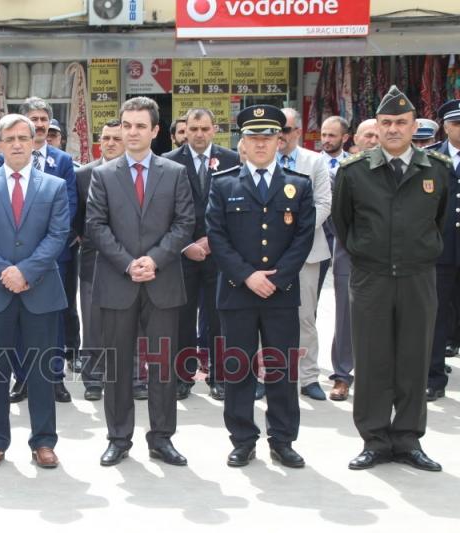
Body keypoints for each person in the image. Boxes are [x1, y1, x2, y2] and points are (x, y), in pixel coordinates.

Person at [332, 85, 452, 472]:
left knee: (414, 359)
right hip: (372, 278)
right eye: (387, 123)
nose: (394, 129)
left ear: (414, 125)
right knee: (372, 360)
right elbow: (343, 223)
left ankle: (408, 439)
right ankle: (375, 439)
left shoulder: (436, 169)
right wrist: (368, 253)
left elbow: (440, 221)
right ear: (377, 128)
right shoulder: (354, 172)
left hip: (418, 277)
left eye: (401, 122)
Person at [87, 96, 195, 467]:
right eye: (126, 125)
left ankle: (162, 438)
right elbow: (95, 225)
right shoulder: (102, 175)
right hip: (118, 282)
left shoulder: (175, 172)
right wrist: (128, 263)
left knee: (162, 365)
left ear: (154, 130)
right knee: (117, 365)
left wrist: (155, 259)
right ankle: (118, 438)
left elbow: (185, 223)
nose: (132, 132)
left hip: (162, 282)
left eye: (139, 126)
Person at [207, 104, 315, 469]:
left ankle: (283, 440)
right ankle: (242, 438)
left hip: (281, 293)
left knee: (282, 369)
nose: (260, 144)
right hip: (238, 291)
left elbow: (303, 238)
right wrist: (247, 275)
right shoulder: (224, 184)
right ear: (242, 142)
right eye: (253, 137)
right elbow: (217, 237)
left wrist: (278, 277)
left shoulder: (298, 185)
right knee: (238, 369)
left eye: (268, 136)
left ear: (279, 140)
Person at [0, 113, 69, 470]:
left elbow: (58, 235)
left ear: (35, 140)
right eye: (10, 138)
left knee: (42, 371)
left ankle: (43, 441)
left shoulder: (53, 186)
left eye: (25, 137)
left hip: (40, 291)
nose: (18, 144)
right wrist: (4, 272)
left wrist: (26, 272)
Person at [3, 97, 77, 404]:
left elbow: (69, 206)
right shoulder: (4, 160)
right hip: (15, 260)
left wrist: (43, 250)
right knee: (19, 320)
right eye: (34, 119)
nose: (40, 124)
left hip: (51, 258)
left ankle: (55, 377)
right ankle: (22, 378)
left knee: (53, 320)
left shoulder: (62, 161)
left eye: (44, 119)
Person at [163, 108, 240, 401]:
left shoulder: (232, 160)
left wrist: (214, 241)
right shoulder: (169, 162)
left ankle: (219, 377)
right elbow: (165, 211)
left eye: (204, 129)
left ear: (214, 129)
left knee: (219, 317)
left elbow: (236, 206)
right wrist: (186, 244)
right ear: (186, 129)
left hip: (220, 255)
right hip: (183, 254)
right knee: (183, 318)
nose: (198, 134)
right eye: (193, 128)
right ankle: (184, 377)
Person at [278, 108, 332, 402]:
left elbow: (324, 203)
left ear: (297, 131)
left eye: (286, 130)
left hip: (306, 251)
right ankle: (268, 374)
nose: (281, 136)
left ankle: (309, 377)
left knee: (304, 317)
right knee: (266, 317)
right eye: (277, 130)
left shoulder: (315, 161)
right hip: (268, 254)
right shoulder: (263, 159)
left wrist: (298, 233)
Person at [328, 118, 379, 402]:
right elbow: (338, 219)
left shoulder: (393, 171)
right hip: (350, 254)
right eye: (367, 135)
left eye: (376, 135)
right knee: (346, 318)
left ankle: (376, 378)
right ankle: (342, 376)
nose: (372, 140)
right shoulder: (345, 173)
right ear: (354, 140)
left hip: (387, 259)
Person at [75, 119, 125, 401]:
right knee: (93, 322)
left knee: (131, 322)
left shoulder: (134, 172)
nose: (110, 143)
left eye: (116, 138)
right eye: (105, 138)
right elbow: (78, 218)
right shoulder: (84, 174)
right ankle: (93, 378)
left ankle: (132, 376)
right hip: (94, 259)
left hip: (130, 258)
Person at [424, 99, 460, 402]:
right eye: (456, 123)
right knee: (435, 317)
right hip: (442, 251)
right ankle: (433, 378)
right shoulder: (429, 158)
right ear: (445, 126)